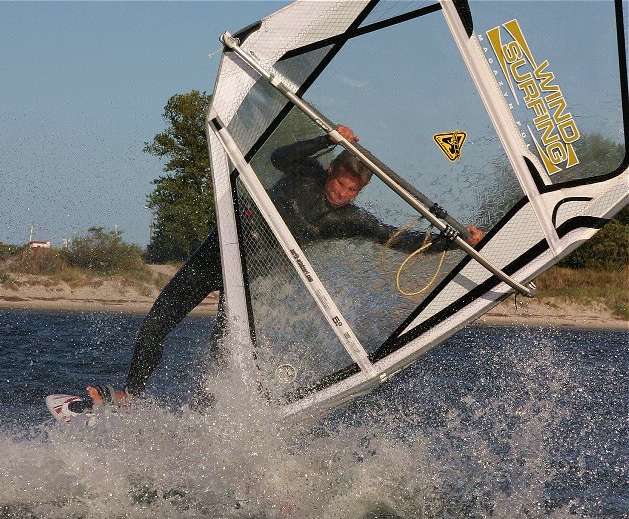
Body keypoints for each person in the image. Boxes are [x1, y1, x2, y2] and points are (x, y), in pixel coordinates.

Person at [87, 125, 484, 406]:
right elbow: (280, 155)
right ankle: (129, 396)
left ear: (360, 190)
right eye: (340, 182)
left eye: (351, 190)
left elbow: (400, 241)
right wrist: (326, 140)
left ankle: (207, 426)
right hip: (219, 252)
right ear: (332, 170)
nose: (342, 194)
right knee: (158, 321)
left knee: (223, 356)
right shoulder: (307, 172)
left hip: (250, 281)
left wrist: (456, 240)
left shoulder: (349, 219)